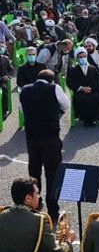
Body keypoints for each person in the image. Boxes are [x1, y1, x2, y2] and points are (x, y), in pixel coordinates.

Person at [20, 70, 70, 222]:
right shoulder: (54, 88)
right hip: (50, 137)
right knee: (52, 174)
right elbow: (66, 104)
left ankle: (34, 206)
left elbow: (22, 110)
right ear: (52, 80)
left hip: (32, 138)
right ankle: (53, 212)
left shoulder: (25, 90)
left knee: (34, 172)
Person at [0, 177, 75, 252]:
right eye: (37, 193)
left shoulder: (2, 215)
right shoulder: (39, 220)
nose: (39, 197)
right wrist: (69, 240)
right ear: (28, 198)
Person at [67, 47, 99, 126]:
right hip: (80, 91)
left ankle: (97, 117)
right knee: (84, 99)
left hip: (93, 90)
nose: (83, 58)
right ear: (77, 58)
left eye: (84, 56)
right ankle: (86, 119)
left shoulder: (93, 68)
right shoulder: (73, 70)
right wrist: (81, 88)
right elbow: (70, 82)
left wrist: (91, 88)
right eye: (80, 57)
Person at [0, 42, 13, 117]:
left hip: (2, 81)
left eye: (2, 46)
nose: (1, 48)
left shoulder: (5, 58)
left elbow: (11, 70)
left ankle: (4, 110)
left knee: (4, 89)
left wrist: (8, 76)